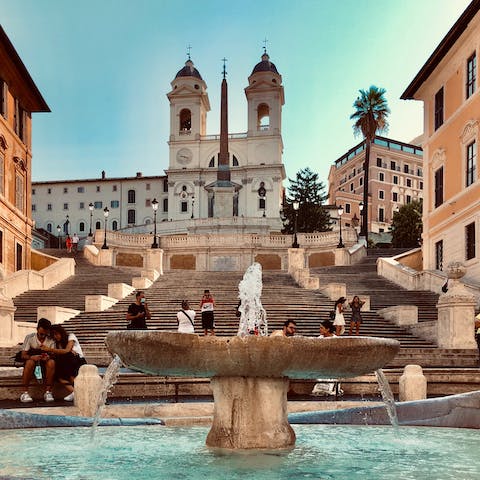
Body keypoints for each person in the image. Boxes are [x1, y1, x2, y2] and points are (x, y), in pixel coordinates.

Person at [41, 324, 86, 402]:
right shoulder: (57, 343)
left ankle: (77, 392)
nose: (55, 337)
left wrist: (49, 349)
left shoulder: (71, 336)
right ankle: (74, 392)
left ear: (61, 332)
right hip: (66, 362)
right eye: (53, 335)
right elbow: (61, 353)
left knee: (68, 370)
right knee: (59, 375)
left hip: (77, 361)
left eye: (56, 334)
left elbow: (67, 351)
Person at [19, 318, 56, 403]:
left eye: (45, 334)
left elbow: (54, 354)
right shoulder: (30, 337)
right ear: (37, 329)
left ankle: (48, 392)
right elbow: (23, 355)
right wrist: (32, 357)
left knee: (52, 363)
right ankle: (25, 392)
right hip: (32, 359)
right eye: (41, 334)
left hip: (46, 361)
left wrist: (47, 356)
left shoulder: (51, 340)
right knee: (29, 363)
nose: (42, 336)